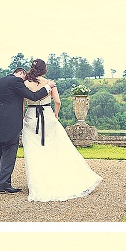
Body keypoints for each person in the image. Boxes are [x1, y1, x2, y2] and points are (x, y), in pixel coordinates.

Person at [21, 59, 102, 202]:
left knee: (33, 150)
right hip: (47, 115)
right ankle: (57, 177)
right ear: (44, 70)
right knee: (53, 148)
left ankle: (37, 183)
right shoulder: (49, 83)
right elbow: (57, 101)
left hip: (31, 117)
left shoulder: (25, 84)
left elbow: (22, 104)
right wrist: (56, 114)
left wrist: (22, 117)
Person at [0, 66, 52, 193]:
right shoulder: (16, 81)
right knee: (10, 150)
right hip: (9, 122)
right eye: (25, 77)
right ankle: (4, 184)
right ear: (21, 73)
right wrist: (47, 86)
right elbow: (33, 96)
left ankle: (3, 182)